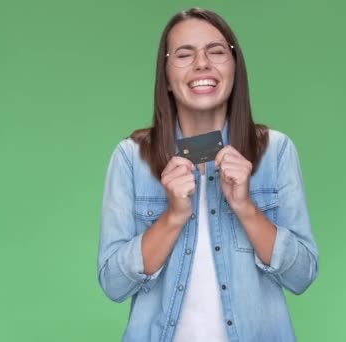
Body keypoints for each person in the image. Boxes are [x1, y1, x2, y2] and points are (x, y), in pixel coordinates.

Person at [97, 7, 318, 342]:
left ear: (235, 68)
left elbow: (302, 275)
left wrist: (245, 207)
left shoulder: (276, 151)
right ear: (167, 77)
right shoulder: (131, 158)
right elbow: (114, 284)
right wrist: (172, 217)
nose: (202, 64)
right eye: (184, 54)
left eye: (216, 51)